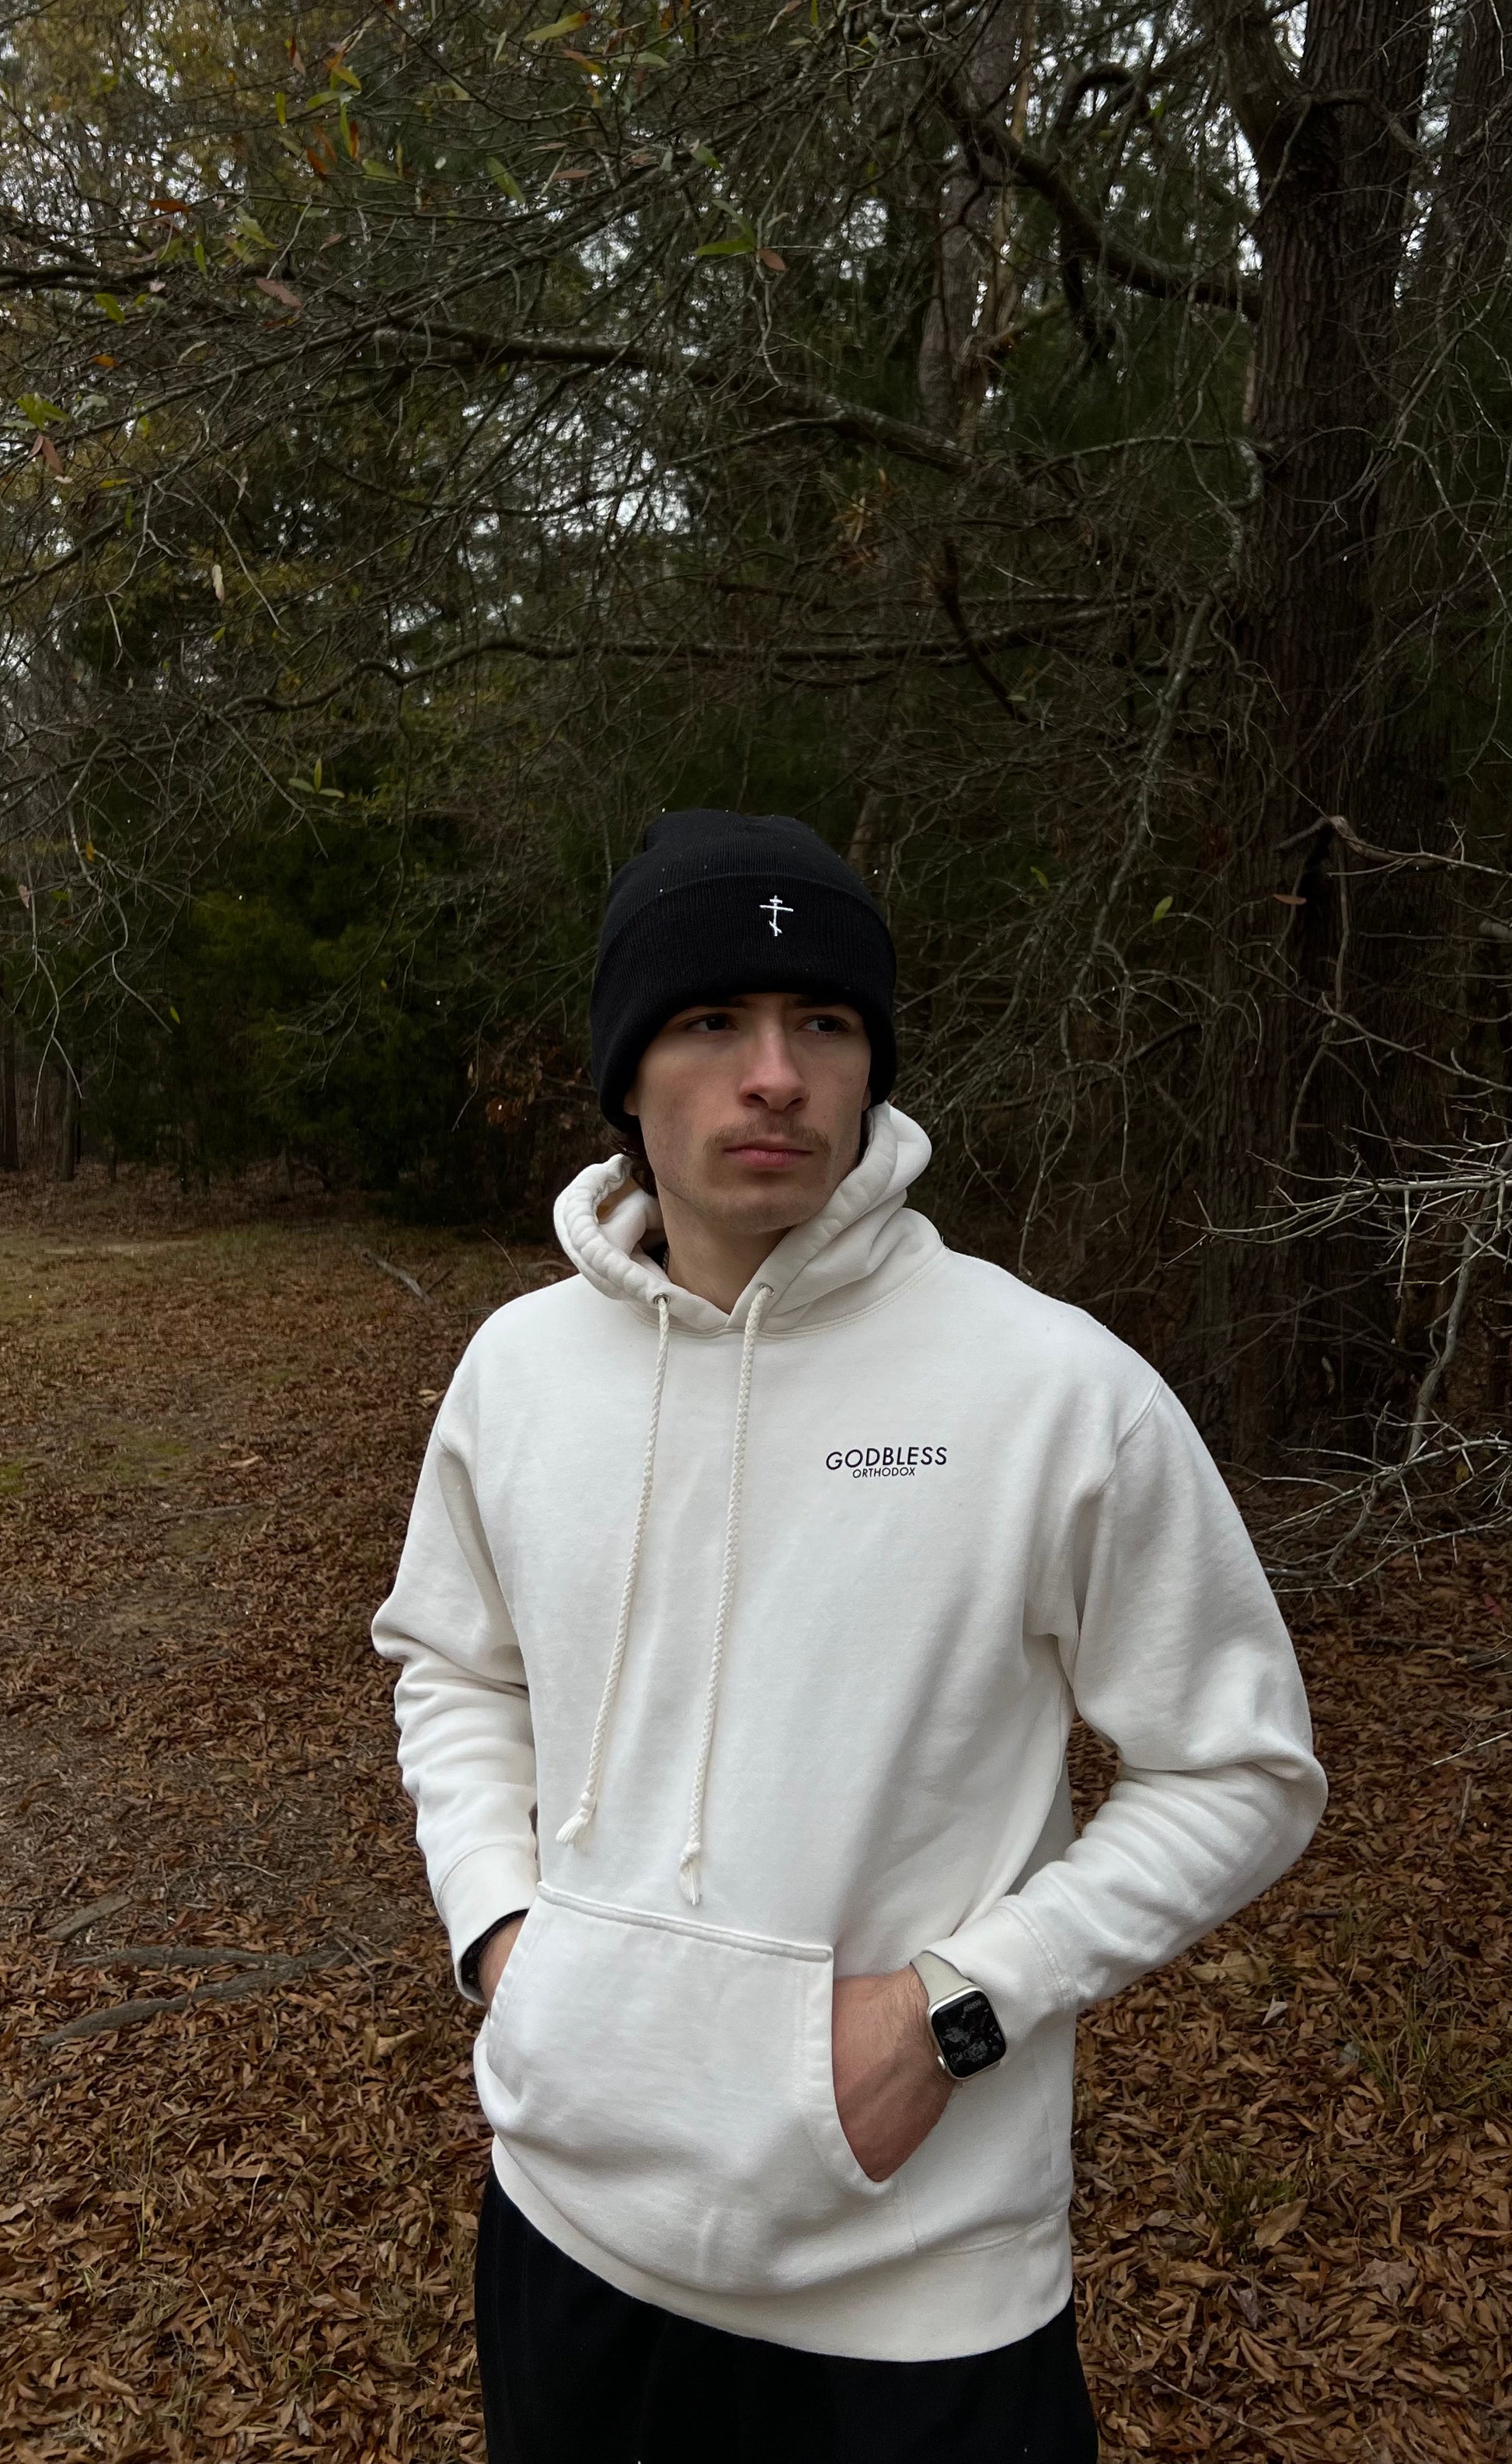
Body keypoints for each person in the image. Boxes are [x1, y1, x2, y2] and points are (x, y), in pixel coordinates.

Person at [372, 808, 1326, 2464]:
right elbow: (456, 1661)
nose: (774, 1076)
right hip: (569, 2240)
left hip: (918, 2302)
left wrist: (961, 2006)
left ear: (872, 1064)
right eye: (711, 1020)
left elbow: (1239, 1769)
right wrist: (507, 1935)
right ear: (624, 1071)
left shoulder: (1048, 1388)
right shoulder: (518, 1372)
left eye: (822, 1021)